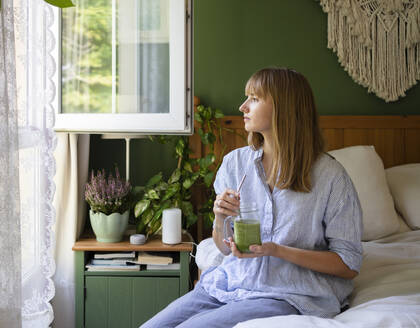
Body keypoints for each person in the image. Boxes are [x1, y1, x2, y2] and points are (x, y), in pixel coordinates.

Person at [140, 67, 363, 328]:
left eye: (254, 99)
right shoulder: (235, 164)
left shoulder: (331, 177)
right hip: (229, 283)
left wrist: (276, 250)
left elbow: (348, 264)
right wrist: (221, 218)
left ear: (284, 108)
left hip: (286, 293)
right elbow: (224, 248)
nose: (243, 106)